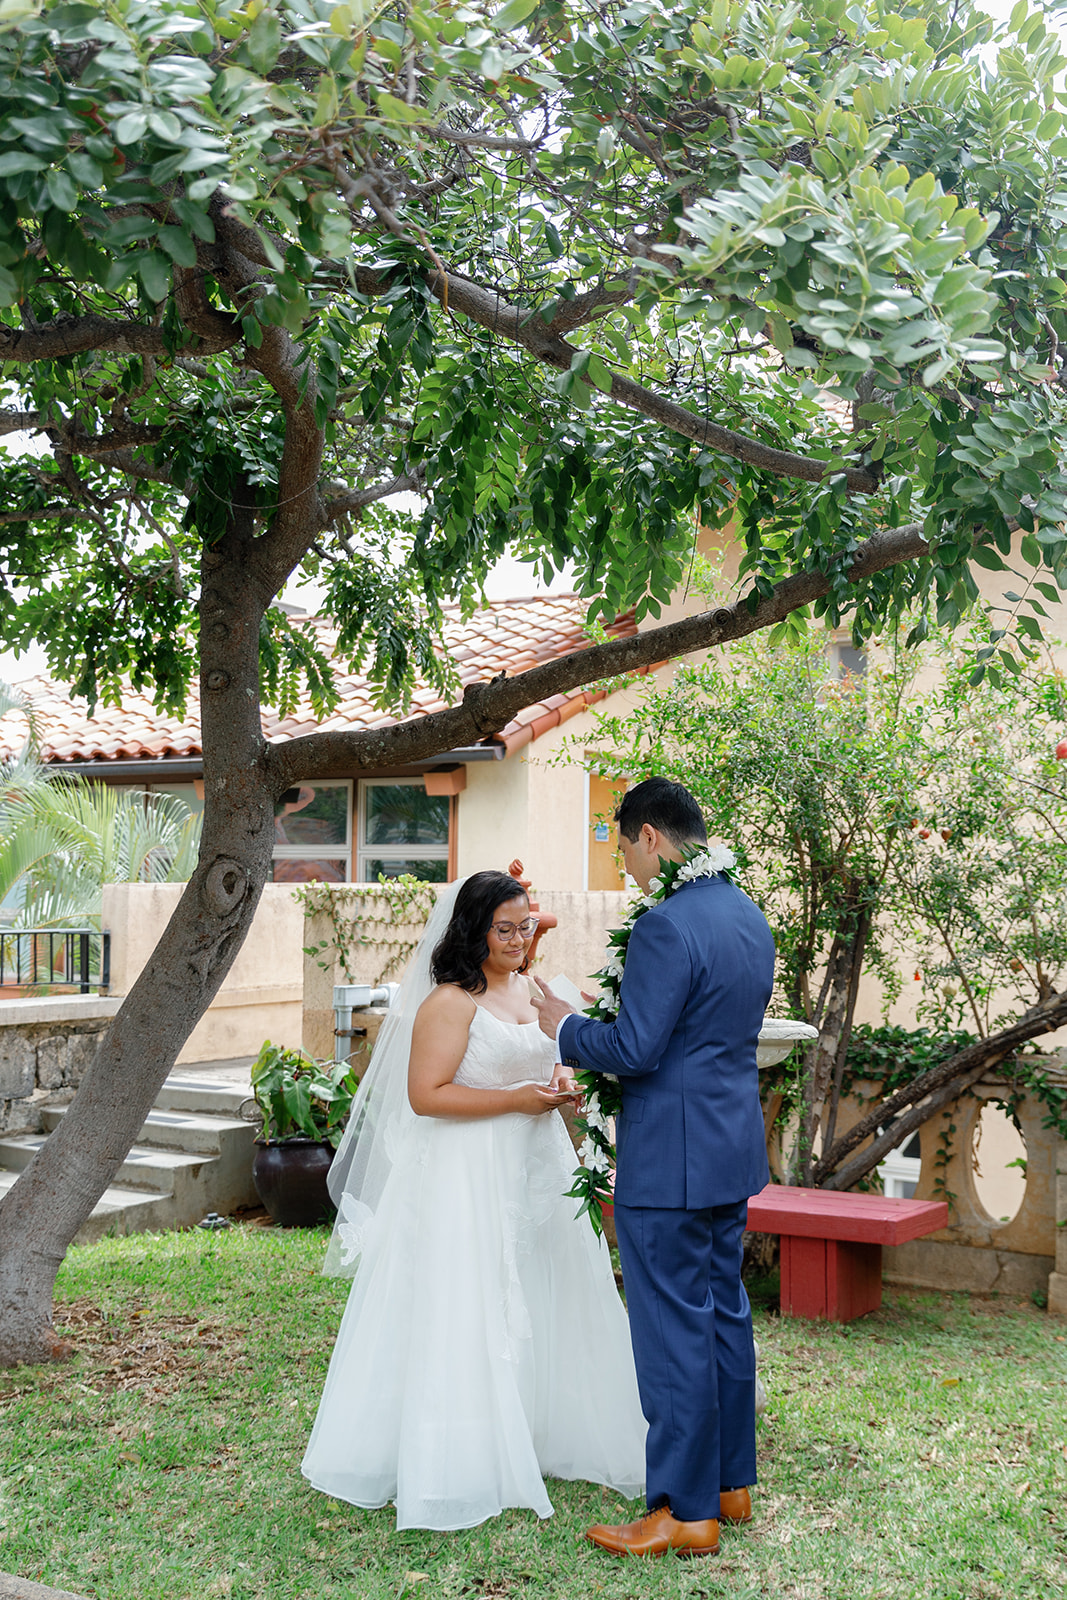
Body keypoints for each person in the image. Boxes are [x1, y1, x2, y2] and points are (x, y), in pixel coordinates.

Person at [301, 870, 646, 1532]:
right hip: (466, 1169)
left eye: (527, 926)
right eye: (505, 929)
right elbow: (425, 1095)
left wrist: (559, 1085)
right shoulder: (451, 1002)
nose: (519, 940)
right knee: (471, 1297)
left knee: (545, 1286)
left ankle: (540, 1429)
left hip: (537, 1163)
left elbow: (557, 1057)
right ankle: (463, 1446)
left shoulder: (539, 991)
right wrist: (517, 1098)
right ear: (474, 929)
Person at [533, 777, 775, 1559]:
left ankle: (682, 1509)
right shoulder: (747, 915)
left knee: (670, 1330)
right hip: (728, 1149)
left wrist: (566, 1027)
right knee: (722, 1312)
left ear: (649, 837)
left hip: (668, 1160)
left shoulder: (666, 927)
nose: (626, 869)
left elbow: (636, 1050)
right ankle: (730, 1485)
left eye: (622, 848)